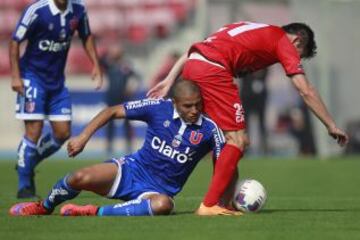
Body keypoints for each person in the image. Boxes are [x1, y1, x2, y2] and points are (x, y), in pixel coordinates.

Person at [147, 21, 349, 215]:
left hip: (194, 66)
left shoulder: (245, 28)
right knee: (239, 140)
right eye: (299, 55)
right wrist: (330, 124)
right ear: (297, 41)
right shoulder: (282, 40)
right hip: (213, 71)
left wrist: (169, 79)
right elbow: (306, 90)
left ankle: (223, 203)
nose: (295, 60)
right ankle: (209, 205)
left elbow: (196, 50)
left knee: (225, 142)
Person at [9, 80, 242, 217]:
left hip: (157, 191)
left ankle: (92, 211)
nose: (194, 110)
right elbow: (112, 111)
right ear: (174, 103)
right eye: (188, 106)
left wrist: (224, 201)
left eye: (198, 105)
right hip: (131, 170)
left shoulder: (210, 129)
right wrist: (83, 137)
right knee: (78, 177)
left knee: (163, 205)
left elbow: (225, 167)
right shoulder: (157, 108)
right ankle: (43, 207)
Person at [9, 0, 103, 198]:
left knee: (62, 133)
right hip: (32, 78)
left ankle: (28, 161)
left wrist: (95, 64)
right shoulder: (37, 11)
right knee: (34, 130)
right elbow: (15, 41)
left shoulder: (78, 10)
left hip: (57, 83)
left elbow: (86, 36)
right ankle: (25, 184)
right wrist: (16, 75)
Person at [100, 44, 141, 155]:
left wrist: (132, 87)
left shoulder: (126, 65)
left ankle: (129, 145)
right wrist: (109, 53)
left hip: (124, 97)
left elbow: (137, 77)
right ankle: (109, 145)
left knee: (127, 122)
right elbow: (100, 60)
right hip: (112, 96)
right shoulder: (109, 64)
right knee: (109, 121)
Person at [240, 69, 269, 155]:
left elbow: (265, 71)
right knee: (245, 124)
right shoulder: (244, 63)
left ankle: (264, 147)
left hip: (260, 98)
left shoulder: (264, 64)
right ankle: (245, 147)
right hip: (247, 96)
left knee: (262, 123)